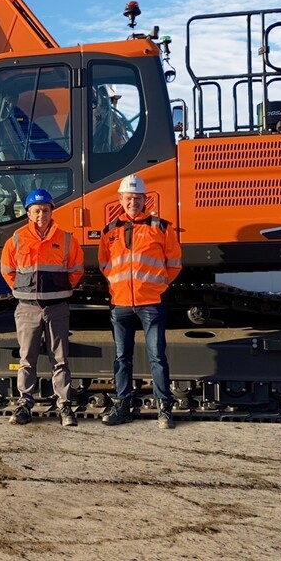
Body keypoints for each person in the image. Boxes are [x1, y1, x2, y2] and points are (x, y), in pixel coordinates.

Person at [98, 174, 182, 429]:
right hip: (121, 303)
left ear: (145, 199)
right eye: (128, 198)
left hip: (151, 302)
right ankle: (123, 406)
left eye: (137, 197)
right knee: (122, 357)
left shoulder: (162, 227)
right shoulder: (109, 231)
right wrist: (116, 286)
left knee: (157, 356)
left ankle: (164, 409)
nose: (132, 201)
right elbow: (104, 263)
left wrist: (158, 286)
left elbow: (175, 263)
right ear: (121, 200)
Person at [0, 188, 85, 427]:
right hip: (27, 309)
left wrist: (60, 289)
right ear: (28, 213)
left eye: (45, 210)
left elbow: (77, 269)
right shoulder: (16, 239)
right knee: (27, 359)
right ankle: (24, 404)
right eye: (36, 210)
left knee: (60, 359)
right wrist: (25, 291)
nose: (41, 215)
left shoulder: (66, 239)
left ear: (51, 212)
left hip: (57, 308)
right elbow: (7, 270)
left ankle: (64, 406)